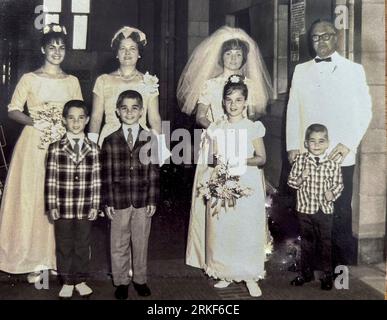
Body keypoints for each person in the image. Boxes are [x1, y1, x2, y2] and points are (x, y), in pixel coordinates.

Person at [176, 26, 272, 270]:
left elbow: (251, 118)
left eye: (238, 55)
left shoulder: (250, 84)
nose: (233, 59)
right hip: (216, 140)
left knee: (244, 201)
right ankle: (213, 259)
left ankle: (245, 260)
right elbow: (200, 115)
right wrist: (217, 128)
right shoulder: (210, 84)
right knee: (215, 201)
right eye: (229, 54)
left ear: (243, 58)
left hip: (241, 146)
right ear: (221, 57)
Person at [0, 23, 83, 283]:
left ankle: (57, 259)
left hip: (63, 142)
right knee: (33, 198)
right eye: (52, 47)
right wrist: (35, 121)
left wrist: (66, 129)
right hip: (34, 143)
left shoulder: (72, 81)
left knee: (61, 199)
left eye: (61, 48)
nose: (57, 52)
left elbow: (78, 111)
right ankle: (33, 259)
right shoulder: (29, 78)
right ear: (42, 49)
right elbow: (13, 109)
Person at [286, 20, 372, 266]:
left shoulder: (353, 70)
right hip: (308, 154)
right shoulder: (301, 70)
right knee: (308, 212)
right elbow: (293, 109)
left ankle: (340, 270)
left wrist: (348, 144)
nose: (320, 41)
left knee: (340, 211)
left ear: (337, 38)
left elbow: (364, 111)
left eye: (326, 36)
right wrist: (293, 145)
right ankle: (311, 266)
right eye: (315, 37)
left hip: (339, 154)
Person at [202, 75, 267, 297]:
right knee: (224, 227)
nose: (233, 104)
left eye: (239, 100)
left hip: (247, 182)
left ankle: (249, 275)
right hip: (223, 180)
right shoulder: (217, 127)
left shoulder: (252, 127)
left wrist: (239, 159)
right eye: (229, 100)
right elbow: (212, 158)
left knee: (246, 228)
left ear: (245, 103)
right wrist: (217, 158)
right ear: (223, 103)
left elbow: (261, 158)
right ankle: (225, 272)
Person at [101, 90, 159, 300]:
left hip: (143, 200)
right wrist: (106, 201)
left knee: (140, 241)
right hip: (118, 200)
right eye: (124, 108)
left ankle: (140, 279)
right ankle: (121, 281)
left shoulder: (150, 138)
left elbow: (154, 171)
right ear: (117, 111)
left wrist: (152, 198)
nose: (129, 112)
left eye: (134, 108)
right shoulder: (109, 140)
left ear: (142, 111)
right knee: (118, 242)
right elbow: (105, 174)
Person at [89, 26, 169, 164]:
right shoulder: (103, 80)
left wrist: (159, 147)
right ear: (116, 53)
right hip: (109, 139)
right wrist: (91, 145)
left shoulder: (148, 81)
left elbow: (154, 118)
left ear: (139, 53)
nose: (127, 53)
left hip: (141, 141)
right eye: (122, 49)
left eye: (132, 48)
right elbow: (96, 117)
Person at [45, 100, 101, 299]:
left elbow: (96, 179)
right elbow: (51, 179)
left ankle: (81, 280)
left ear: (86, 120)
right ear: (63, 120)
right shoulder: (55, 148)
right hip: (63, 207)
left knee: (82, 244)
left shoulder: (93, 149)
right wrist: (51, 205)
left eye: (80, 118)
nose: (76, 123)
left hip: (85, 207)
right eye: (71, 118)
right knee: (64, 244)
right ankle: (67, 280)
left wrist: (95, 204)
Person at [288, 124, 343, 290]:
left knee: (326, 244)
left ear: (327, 143)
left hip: (325, 211)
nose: (317, 145)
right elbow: (291, 182)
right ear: (306, 144)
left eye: (321, 141)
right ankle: (306, 273)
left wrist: (332, 193)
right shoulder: (300, 161)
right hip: (305, 209)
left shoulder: (333, 165)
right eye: (312, 141)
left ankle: (327, 275)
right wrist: (301, 178)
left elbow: (338, 184)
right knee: (306, 243)